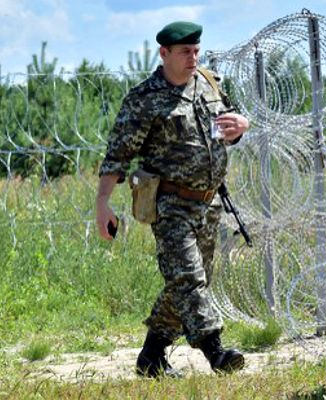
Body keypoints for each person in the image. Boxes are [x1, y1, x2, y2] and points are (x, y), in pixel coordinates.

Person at [95, 21, 249, 378]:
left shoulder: (211, 85)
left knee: (187, 283)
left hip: (209, 203)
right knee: (189, 279)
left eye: (196, 51)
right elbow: (117, 156)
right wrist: (102, 203)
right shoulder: (145, 99)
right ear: (164, 53)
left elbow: (229, 129)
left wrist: (241, 127)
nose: (193, 58)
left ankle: (151, 357)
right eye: (185, 53)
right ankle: (216, 352)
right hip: (169, 205)